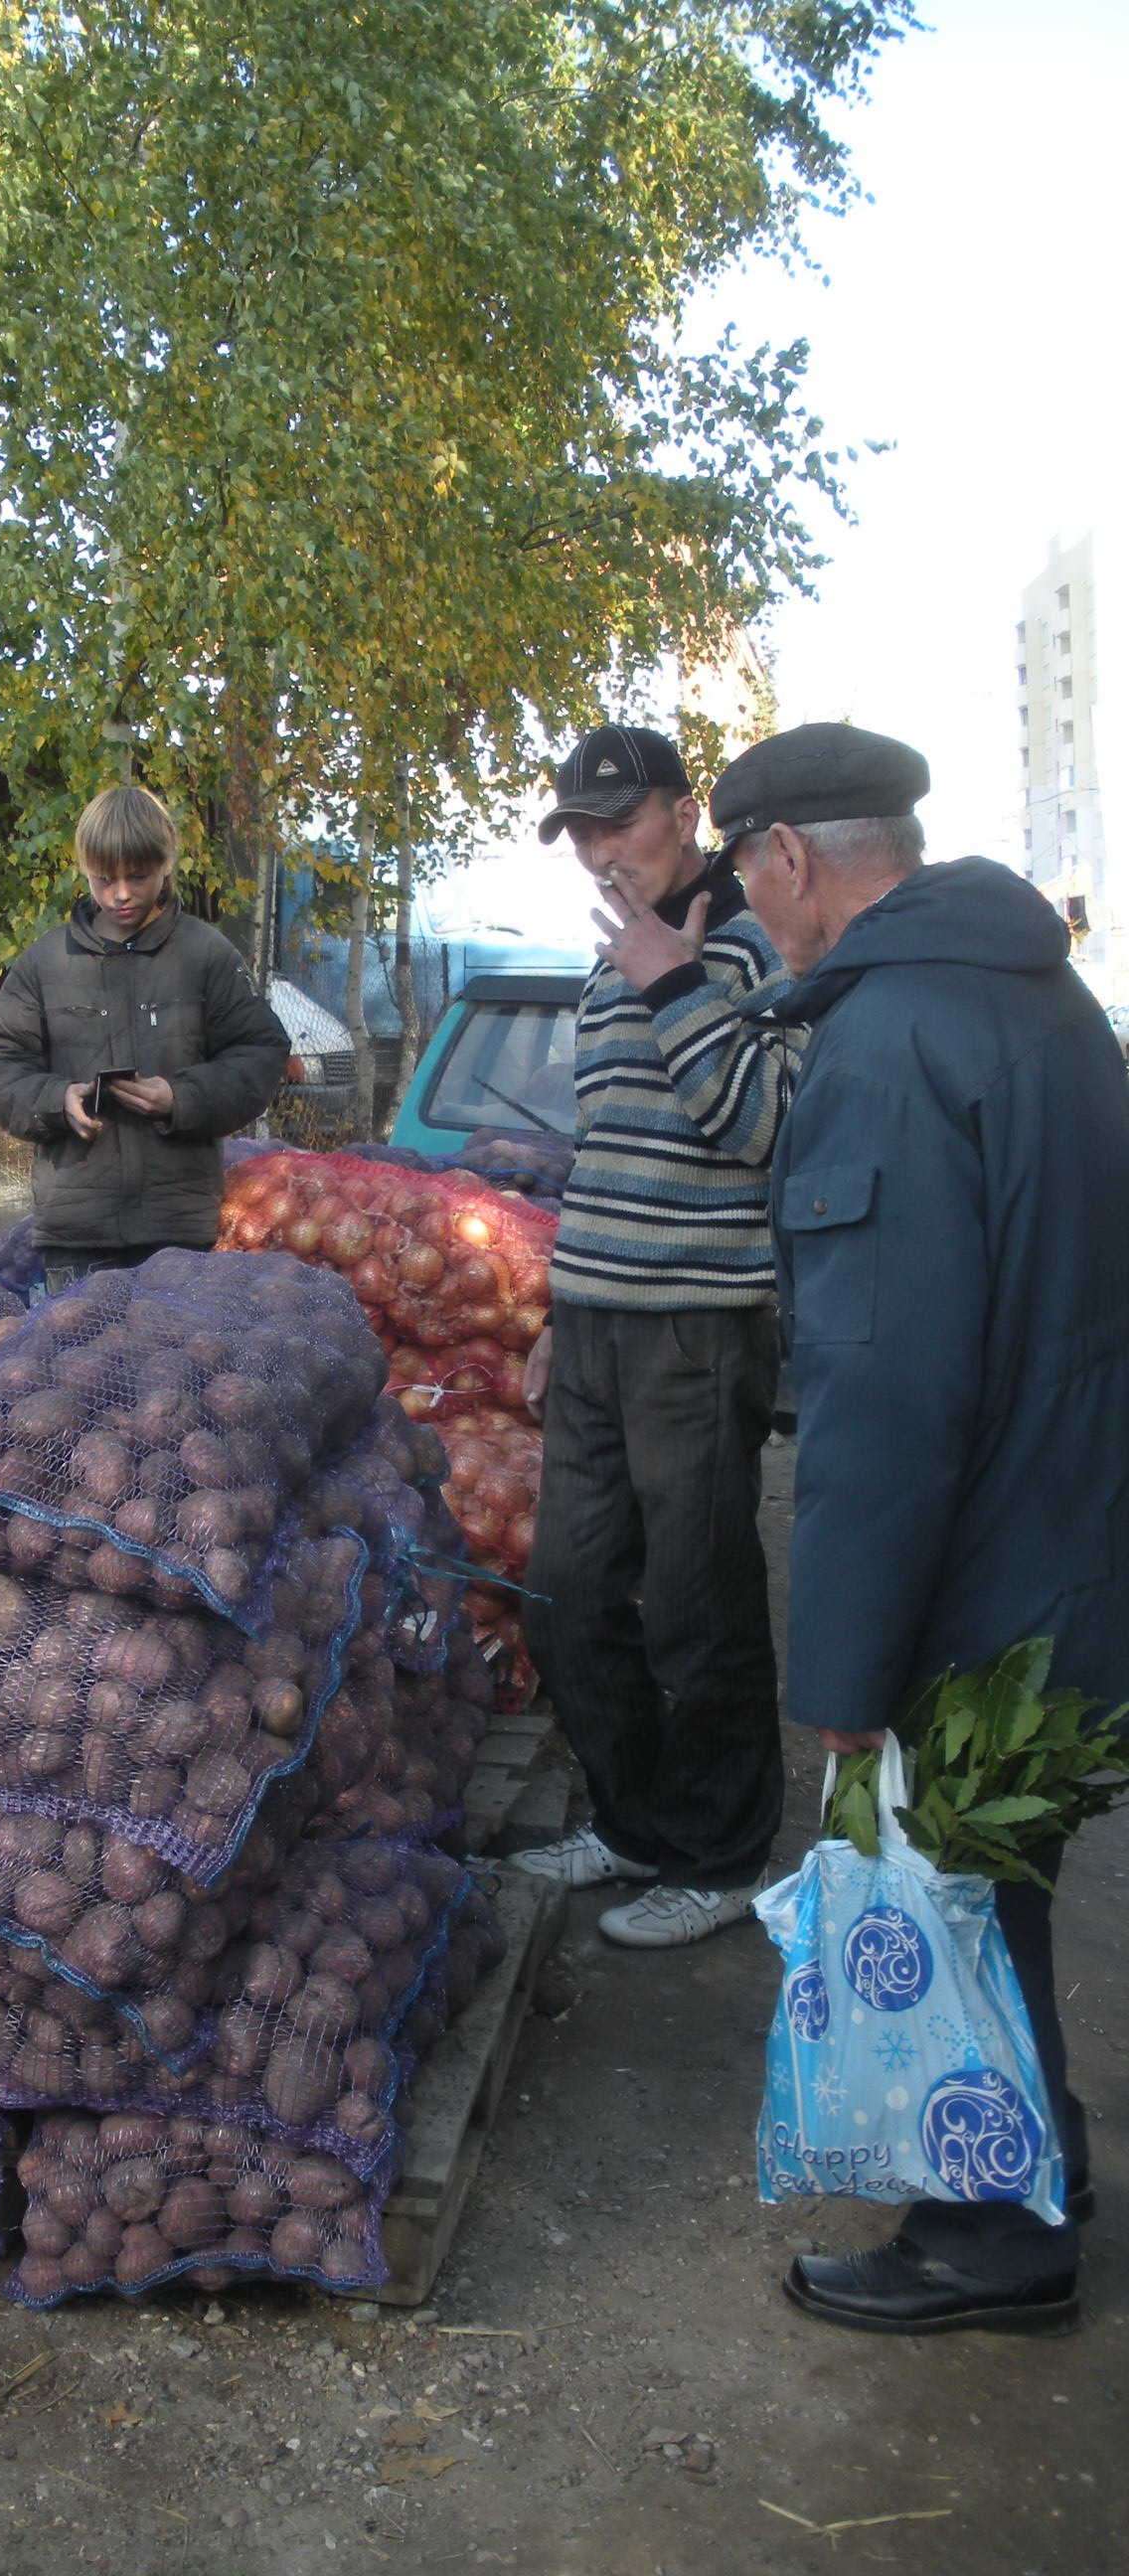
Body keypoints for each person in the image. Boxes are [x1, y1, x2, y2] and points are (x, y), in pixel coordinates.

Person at [715, 720, 1129, 2334]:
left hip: (977, 1556)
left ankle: (986, 2232)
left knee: (951, 1870)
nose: (753, 914)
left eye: (748, 880)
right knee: (999, 1868)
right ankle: (1045, 2160)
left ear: (790, 860)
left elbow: (880, 1401)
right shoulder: (1041, 999)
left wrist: (839, 1663)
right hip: (1067, 1518)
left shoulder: (886, 1044)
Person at [506, 724, 793, 1946]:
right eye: (579, 830)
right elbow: (607, 1148)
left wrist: (670, 977)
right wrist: (559, 1312)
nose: (598, 852)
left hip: (698, 1327)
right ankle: (631, 1825)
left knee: (696, 1603)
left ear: (685, 814)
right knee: (565, 1594)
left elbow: (765, 1127)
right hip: (599, 1321)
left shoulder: (754, 942)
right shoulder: (602, 960)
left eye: (618, 823)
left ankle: (722, 1856)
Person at [0, 784, 289, 1288]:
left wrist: (180, 1098)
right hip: (77, 1236)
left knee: (179, 1363)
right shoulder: (45, 962)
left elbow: (261, 1053)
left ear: (167, 864)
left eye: (137, 876)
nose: (120, 893)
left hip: (180, 1232)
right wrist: (59, 1100)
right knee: (81, 1365)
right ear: (85, 870)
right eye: (104, 879)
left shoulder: (207, 955)